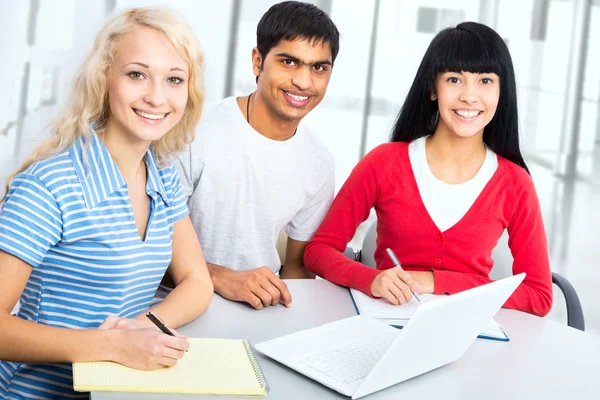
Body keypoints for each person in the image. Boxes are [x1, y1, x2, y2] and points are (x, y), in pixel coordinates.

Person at [0, 7, 213, 398]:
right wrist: (113, 345)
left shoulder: (162, 175)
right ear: (104, 80)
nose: (155, 96)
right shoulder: (49, 187)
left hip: (118, 389)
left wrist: (141, 326)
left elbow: (198, 282)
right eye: (136, 74)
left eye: (174, 79)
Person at [304, 22, 553, 317]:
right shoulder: (384, 163)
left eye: (485, 81)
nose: (470, 97)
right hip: (384, 323)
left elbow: (539, 296)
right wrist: (372, 280)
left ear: (501, 92)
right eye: (454, 79)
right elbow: (318, 251)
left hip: (471, 334)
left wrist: (437, 282)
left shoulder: (515, 184)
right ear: (433, 89)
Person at [173, 1, 339, 310]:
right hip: (178, 303)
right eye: (288, 62)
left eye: (319, 67)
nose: (304, 81)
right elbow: (145, 251)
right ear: (257, 61)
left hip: (261, 307)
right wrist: (220, 277)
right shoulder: (192, 131)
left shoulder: (320, 163)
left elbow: (296, 269)